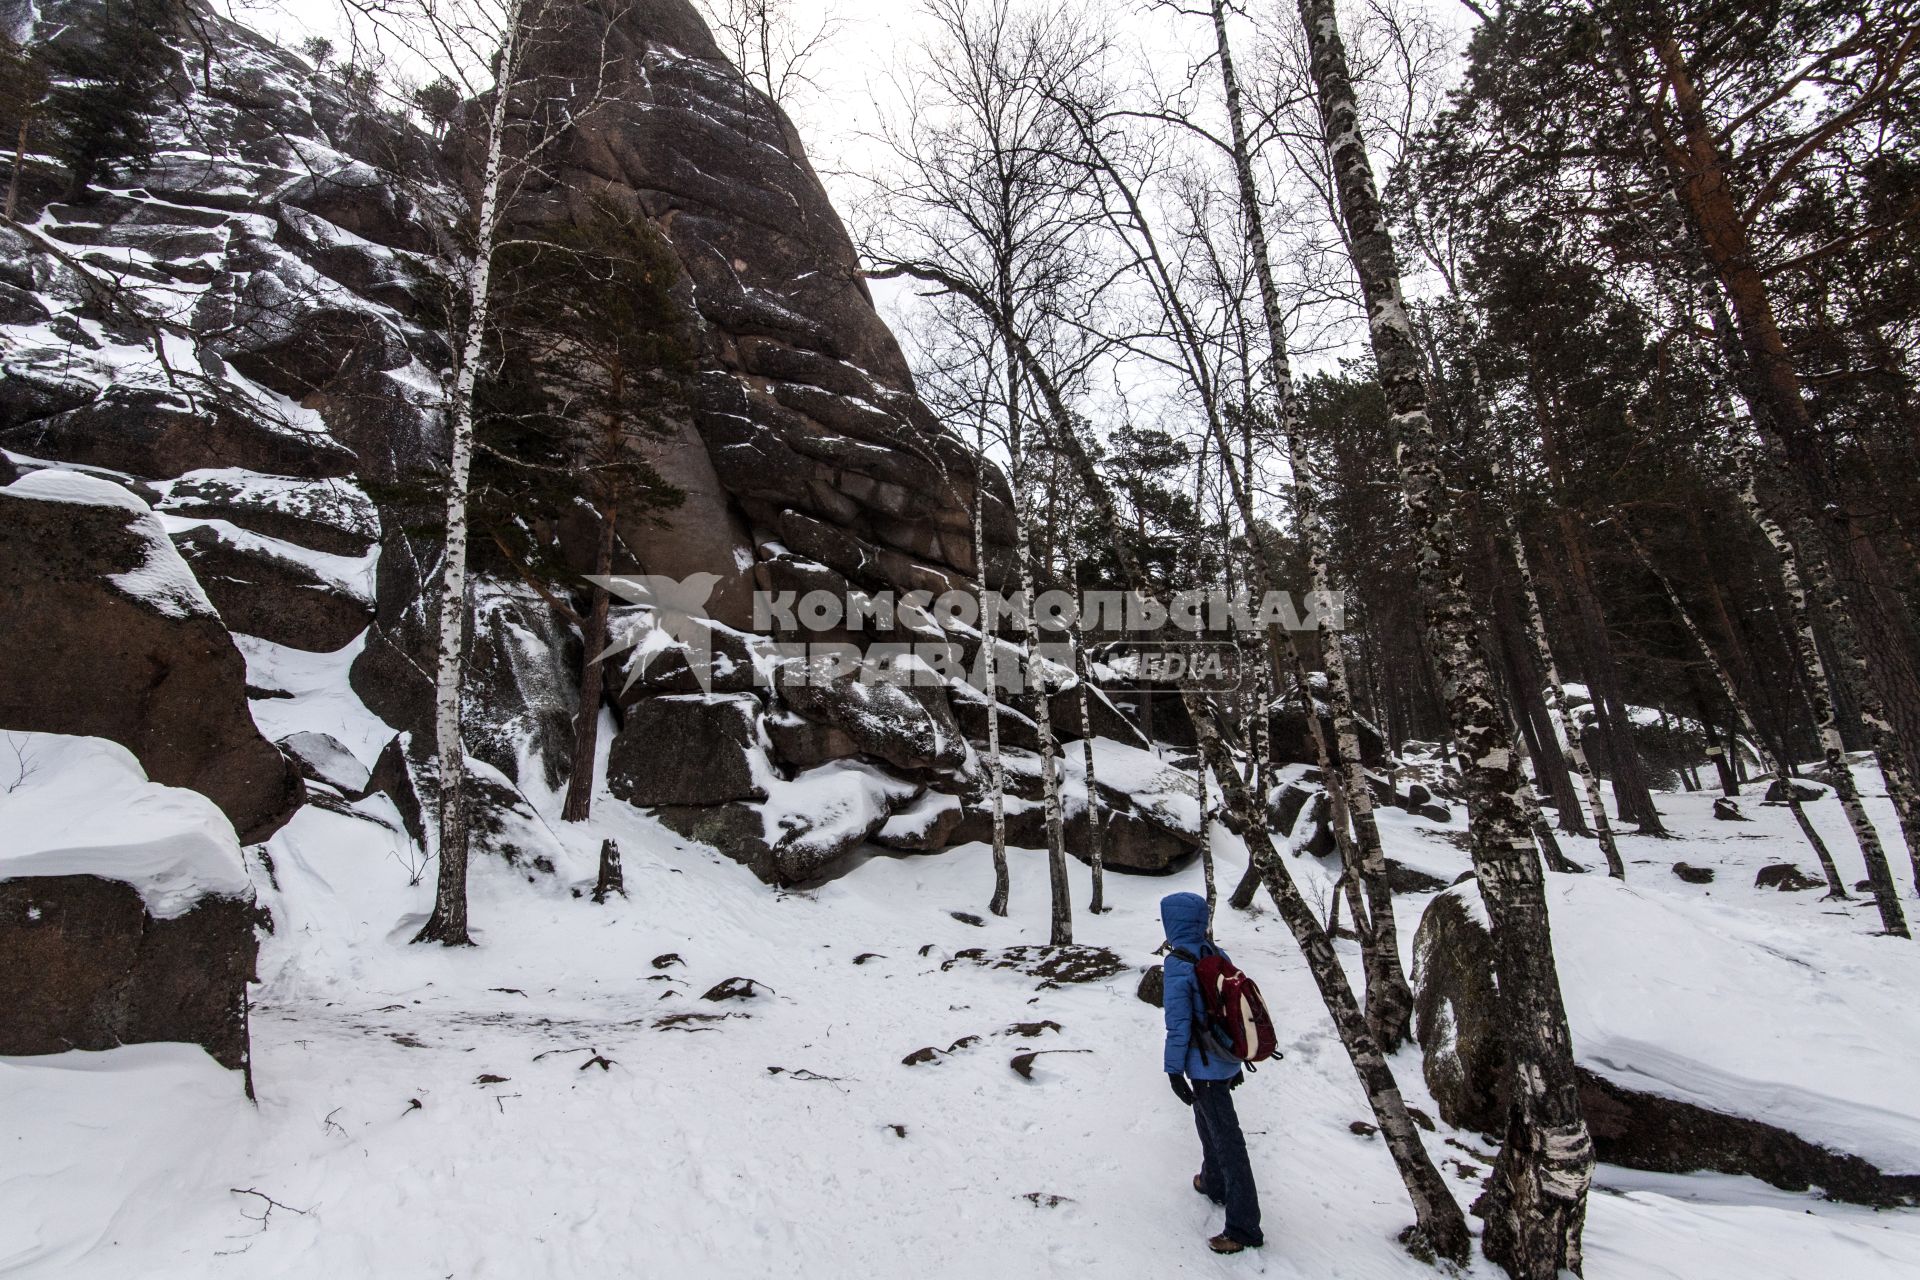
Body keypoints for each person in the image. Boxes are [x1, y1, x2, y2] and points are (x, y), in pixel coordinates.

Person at [1160, 891, 1263, 1254]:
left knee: (1227, 1139)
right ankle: (1213, 1182)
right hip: (1223, 1057)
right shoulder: (1216, 953)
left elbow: (1178, 1023)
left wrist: (1173, 1071)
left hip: (1204, 1063)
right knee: (1206, 1120)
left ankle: (1243, 1227)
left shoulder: (1179, 963)